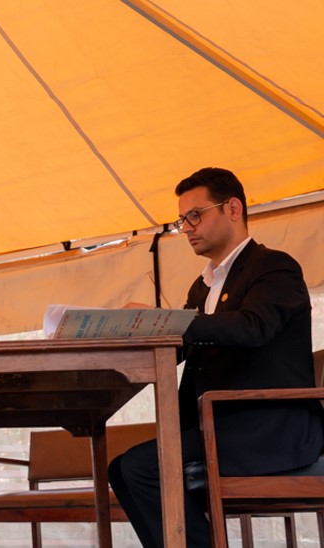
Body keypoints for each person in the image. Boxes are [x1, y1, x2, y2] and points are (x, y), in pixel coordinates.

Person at [108, 167, 323, 547]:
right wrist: (126, 337)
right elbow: (184, 344)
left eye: (195, 215)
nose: (186, 228)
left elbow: (251, 327)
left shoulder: (274, 266)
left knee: (141, 468)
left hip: (269, 428)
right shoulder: (202, 286)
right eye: (182, 220)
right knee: (121, 470)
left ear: (233, 209)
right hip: (216, 427)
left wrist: (166, 320)